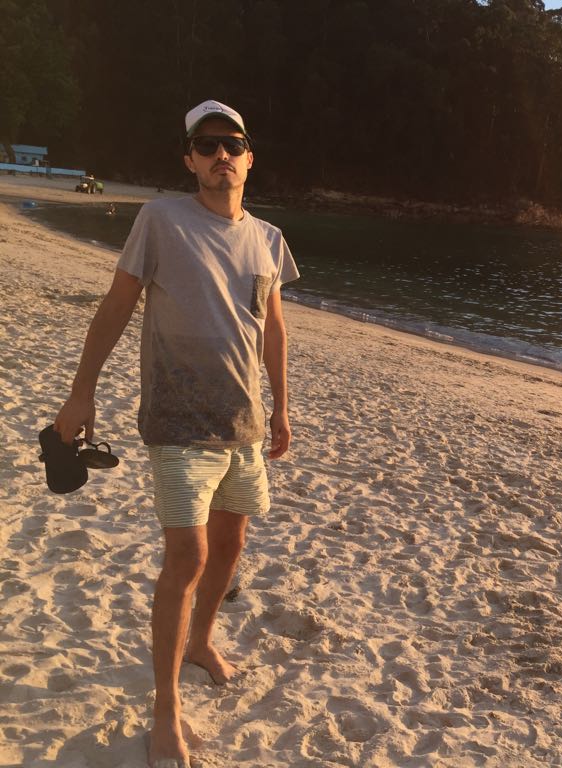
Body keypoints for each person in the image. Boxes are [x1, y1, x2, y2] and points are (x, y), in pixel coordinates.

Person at [53, 99, 299, 768]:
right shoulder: (161, 220)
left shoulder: (269, 238)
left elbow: (273, 329)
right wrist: (82, 390)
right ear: (190, 159)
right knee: (187, 557)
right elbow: (117, 304)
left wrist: (281, 408)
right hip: (177, 423)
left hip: (244, 426)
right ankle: (166, 707)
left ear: (249, 159)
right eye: (208, 145)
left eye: (233, 145)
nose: (222, 155)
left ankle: (200, 642)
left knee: (230, 548)